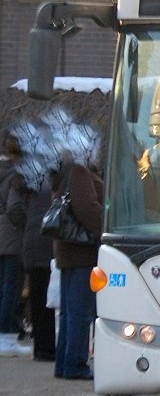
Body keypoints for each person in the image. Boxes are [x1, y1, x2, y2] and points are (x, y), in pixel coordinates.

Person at [51, 152, 103, 380]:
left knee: (70, 313)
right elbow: (87, 209)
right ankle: (75, 364)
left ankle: (64, 363)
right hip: (82, 252)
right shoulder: (80, 171)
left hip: (69, 251)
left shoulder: (68, 171)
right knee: (80, 312)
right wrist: (107, 229)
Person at [0, 128, 30, 357]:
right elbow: (14, 207)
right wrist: (26, 224)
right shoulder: (18, 174)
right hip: (12, 237)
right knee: (11, 289)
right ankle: (7, 337)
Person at [22, 169, 56, 362]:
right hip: (45, 246)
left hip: (32, 245)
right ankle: (47, 349)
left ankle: (41, 348)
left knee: (38, 299)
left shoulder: (35, 184)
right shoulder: (51, 186)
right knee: (47, 300)